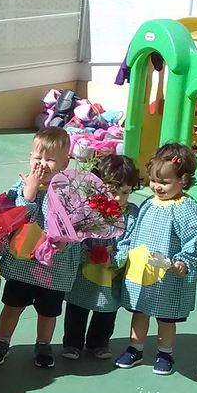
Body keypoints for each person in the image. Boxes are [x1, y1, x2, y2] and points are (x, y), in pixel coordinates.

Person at [0, 127, 79, 369]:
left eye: (50, 159)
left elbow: (78, 223)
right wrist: (28, 194)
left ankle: (43, 344)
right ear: (30, 158)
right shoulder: (22, 184)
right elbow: (11, 217)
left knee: (48, 311)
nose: (42, 164)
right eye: (37, 158)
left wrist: (65, 239)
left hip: (55, 266)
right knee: (12, 306)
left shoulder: (69, 189)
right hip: (23, 263)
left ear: (65, 162)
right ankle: (2, 341)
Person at [114, 143, 197, 375]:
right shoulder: (148, 204)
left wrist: (184, 261)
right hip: (142, 270)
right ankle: (135, 348)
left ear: (183, 180)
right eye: (154, 180)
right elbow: (134, 232)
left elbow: (194, 238)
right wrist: (124, 254)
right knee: (139, 309)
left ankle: (165, 352)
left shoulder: (186, 208)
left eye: (165, 182)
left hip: (168, 272)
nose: (157, 187)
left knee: (166, 315)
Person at [63, 154, 140, 361]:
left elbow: (130, 242)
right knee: (77, 306)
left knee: (107, 309)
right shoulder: (88, 209)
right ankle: (72, 343)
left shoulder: (130, 213)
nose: (118, 198)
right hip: (85, 268)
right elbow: (76, 236)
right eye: (112, 191)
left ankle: (99, 342)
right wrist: (85, 254)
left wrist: (115, 260)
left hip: (110, 271)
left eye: (124, 192)